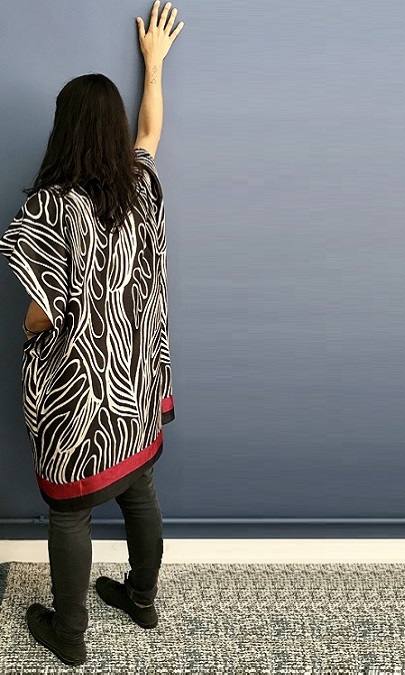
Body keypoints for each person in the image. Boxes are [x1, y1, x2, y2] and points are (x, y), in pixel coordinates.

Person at [0, 1, 184, 667]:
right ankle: (142, 597)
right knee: (140, 488)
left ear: (63, 129)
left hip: (79, 400)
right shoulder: (139, 186)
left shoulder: (51, 206)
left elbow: (42, 309)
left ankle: (70, 632)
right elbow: (150, 131)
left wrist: (30, 325)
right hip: (135, 387)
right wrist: (155, 64)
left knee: (70, 511)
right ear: (109, 130)